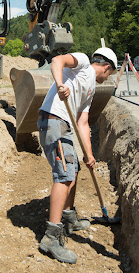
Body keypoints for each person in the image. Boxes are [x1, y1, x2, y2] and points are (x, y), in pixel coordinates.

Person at [37, 47, 118, 263]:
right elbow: (56, 60)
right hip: (54, 119)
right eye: (109, 74)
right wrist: (61, 85)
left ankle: (69, 218)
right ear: (106, 67)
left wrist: (89, 155)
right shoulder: (82, 63)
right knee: (64, 175)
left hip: (65, 124)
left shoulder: (90, 90)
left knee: (74, 170)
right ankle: (51, 238)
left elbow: (82, 123)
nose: (107, 77)